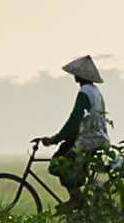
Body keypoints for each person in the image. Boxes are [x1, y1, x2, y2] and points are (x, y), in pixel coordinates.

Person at [33, 55, 109, 212]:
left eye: (76, 73)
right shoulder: (95, 91)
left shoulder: (84, 93)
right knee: (66, 154)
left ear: (81, 75)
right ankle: (81, 206)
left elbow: (74, 122)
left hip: (89, 140)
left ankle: (76, 199)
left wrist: (54, 139)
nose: (74, 76)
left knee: (58, 163)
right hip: (97, 137)